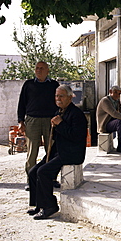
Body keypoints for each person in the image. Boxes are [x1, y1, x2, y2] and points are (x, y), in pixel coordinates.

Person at [27, 85, 88, 219]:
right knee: (33, 172)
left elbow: (76, 136)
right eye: (56, 96)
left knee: (43, 172)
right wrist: (54, 127)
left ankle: (50, 206)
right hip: (59, 151)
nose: (58, 99)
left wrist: (60, 124)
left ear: (70, 97)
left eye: (61, 96)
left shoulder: (77, 114)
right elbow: (56, 136)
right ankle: (39, 204)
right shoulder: (58, 112)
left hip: (71, 153)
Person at [17, 61, 60, 191]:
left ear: (47, 70)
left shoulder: (54, 85)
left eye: (42, 68)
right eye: (37, 68)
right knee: (32, 153)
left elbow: (59, 102)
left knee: (51, 151)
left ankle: (51, 179)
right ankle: (31, 181)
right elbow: (21, 104)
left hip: (50, 121)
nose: (39, 70)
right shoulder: (28, 84)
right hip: (32, 121)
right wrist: (20, 121)